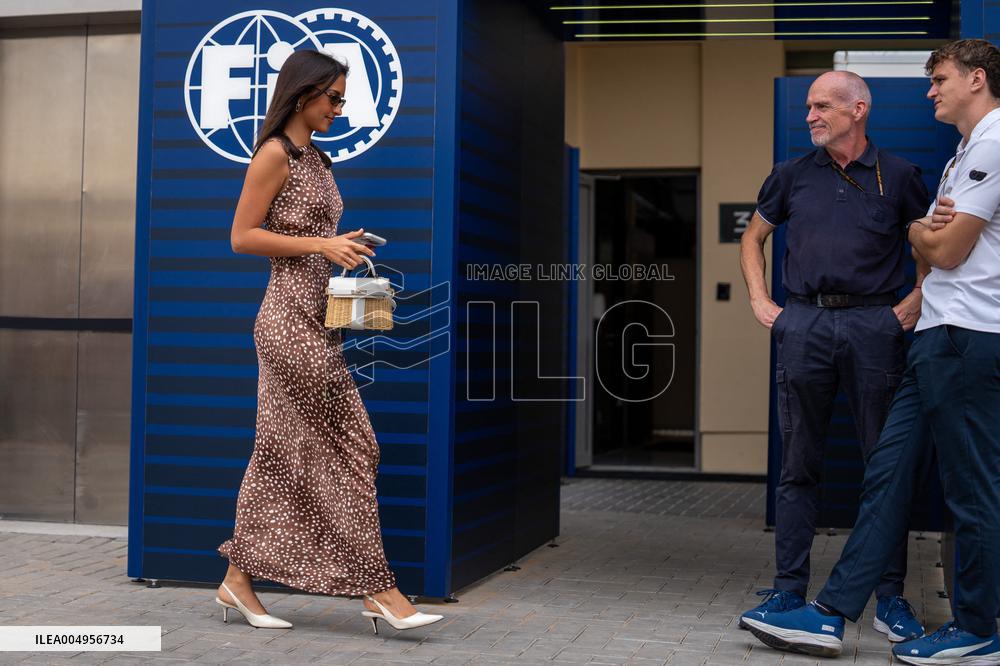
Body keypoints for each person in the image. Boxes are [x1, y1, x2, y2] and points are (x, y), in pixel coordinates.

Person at [742, 38, 1000, 664]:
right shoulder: (963, 151)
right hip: (901, 335)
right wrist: (764, 303)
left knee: (964, 489)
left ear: (977, 79)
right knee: (879, 475)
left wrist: (913, 267)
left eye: (940, 78)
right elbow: (933, 238)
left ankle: (964, 623)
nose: (931, 89)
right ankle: (820, 609)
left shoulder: (968, 152)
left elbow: (942, 248)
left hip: (944, 334)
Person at [214, 50, 443, 634]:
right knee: (355, 447)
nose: (340, 108)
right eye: (334, 98)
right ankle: (379, 590)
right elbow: (242, 237)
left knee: (278, 452)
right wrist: (322, 245)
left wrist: (343, 241)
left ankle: (237, 579)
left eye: (343, 99)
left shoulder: (317, 158)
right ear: (303, 94)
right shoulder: (273, 154)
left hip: (321, 320)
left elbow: (307, 231)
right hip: (288, 323)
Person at [738, 71, 929, 641]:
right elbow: (752, 239)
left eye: (822, 106)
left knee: (884, 467)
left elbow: (927, 246)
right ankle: (788, 589)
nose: (810, 116)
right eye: (809, 106)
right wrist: (762, 302)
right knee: (798, 465)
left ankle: (890, 598)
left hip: (875, 326)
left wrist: (915, 300)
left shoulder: (899, 175)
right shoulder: (791, 175)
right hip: (805, 323)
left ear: (858, 109)